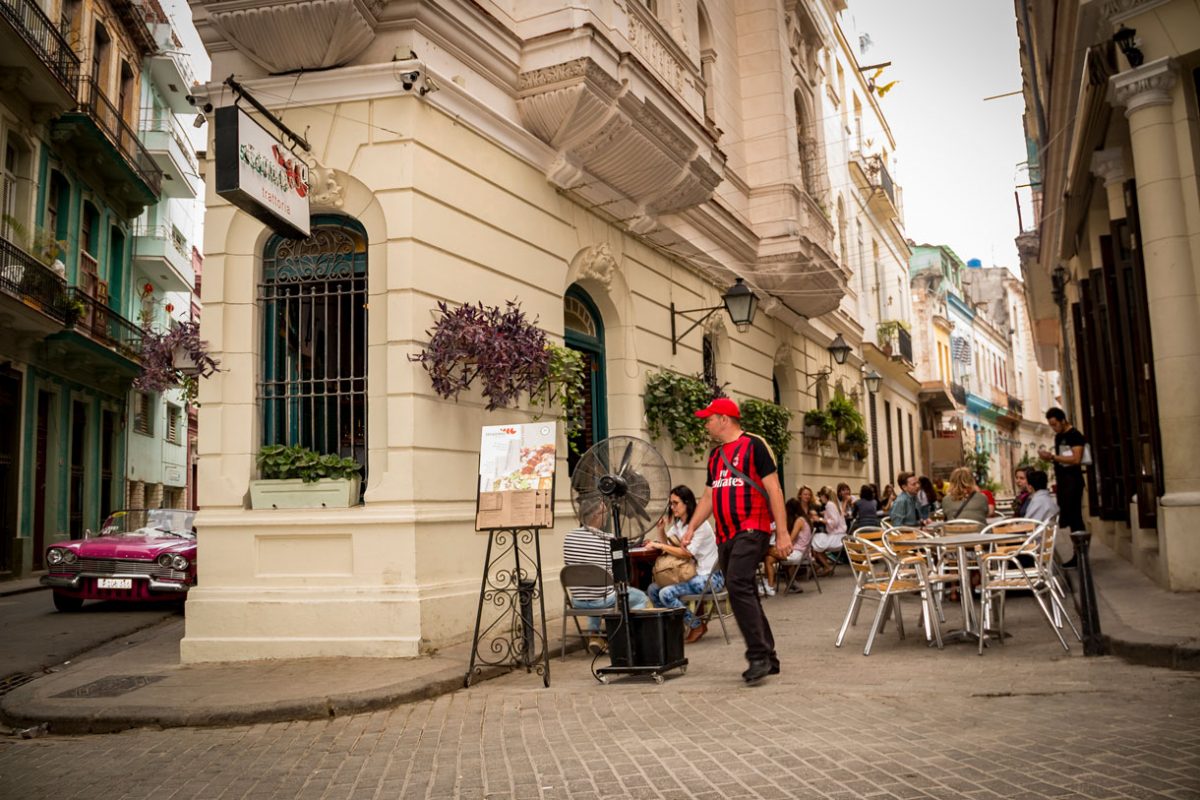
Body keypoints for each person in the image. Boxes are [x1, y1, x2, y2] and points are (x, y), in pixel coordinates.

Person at [683, 397, 790, 685]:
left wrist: (782, 532)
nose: (706, 424)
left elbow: (774, 489)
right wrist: (691, 526)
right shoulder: (716, 456)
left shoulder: (755, 445)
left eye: (709, 418)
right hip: (726, 534)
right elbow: (708, 496)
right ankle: (769, 656)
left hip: (752, 528)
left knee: (737, 583)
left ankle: (757, 657)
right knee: (746, 592)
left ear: (724, 419)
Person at [563, 498, 649, 654]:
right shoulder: (607, 539)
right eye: (604, 512)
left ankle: (595, 636)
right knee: (640, 597)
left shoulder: (568, 538)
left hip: (577, 601)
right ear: (596, 515)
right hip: (603, 600)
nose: (607, 516)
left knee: (595, 588)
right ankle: (629, 638)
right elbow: (618, 571)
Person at [647, 485, 722, 644]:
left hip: (710, 577)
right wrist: (661, 531)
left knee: (665, 593)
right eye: (671, 504)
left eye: (675, 503)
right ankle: (676, 627)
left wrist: (661, 546)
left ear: (686, 503)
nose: (672, 507)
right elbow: (668, 546)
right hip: (692, 574)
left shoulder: (700, 525)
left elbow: (687, 553)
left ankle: (696, 625)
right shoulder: (679, 524)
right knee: (653, 589)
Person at [1039, 407, 1087, 566]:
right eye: (1051, 425)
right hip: (1064, 481)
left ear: (1062, 420)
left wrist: (1053, 456)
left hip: (1073, 481)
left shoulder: (1074, 435)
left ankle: (1080, 553)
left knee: (1075, 517)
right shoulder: (1059, 436)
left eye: (1055, 424)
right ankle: (1077, 553)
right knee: (1069, 518)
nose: (1053, 428)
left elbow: (1075, 459)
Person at [812, 486, 847, 572]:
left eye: (821, 496)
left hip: (836, 537)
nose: (820, 498)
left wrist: (820, 519)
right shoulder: (834, 503)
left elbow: (834, 522)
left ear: (824, 496)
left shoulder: (829, 505)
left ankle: (826, 566)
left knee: (814, 541)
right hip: (841, 536)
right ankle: (825, 565)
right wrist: (825, 513)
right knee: (817, 541)